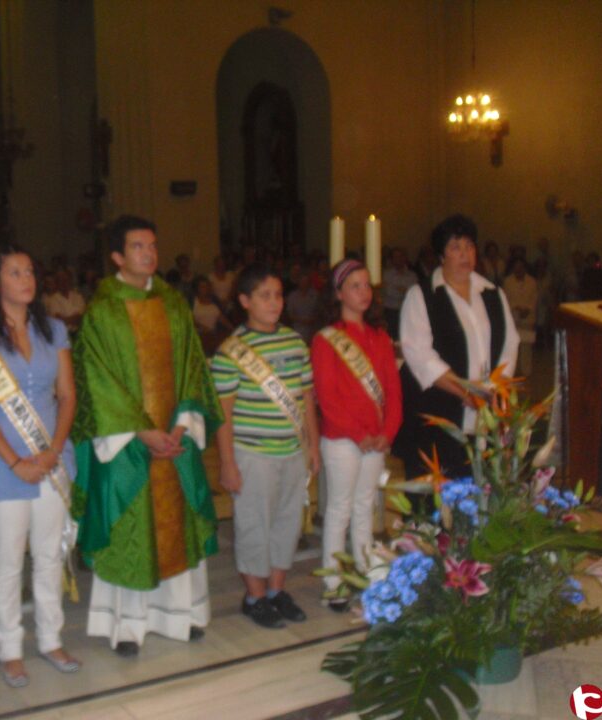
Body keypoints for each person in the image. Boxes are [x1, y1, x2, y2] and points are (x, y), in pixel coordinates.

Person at [72, 215, 223, 656]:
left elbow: (192, 366)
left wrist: (179, 426)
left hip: (174, 441)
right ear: (117, 256)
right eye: (138, 247)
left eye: (153, 246)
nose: (149, 254)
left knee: (178, 525)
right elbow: (95, 379)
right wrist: (142, 430)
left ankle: (181, 616)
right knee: (130, 530)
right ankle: (127, 627)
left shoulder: (173, 304)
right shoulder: (102, 311)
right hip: (128, 445)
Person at [0, 244, 80, 688]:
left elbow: (68, 395)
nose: (27, 279)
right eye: (15, 272)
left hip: (52, 458)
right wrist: (15, 461)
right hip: (1, 466)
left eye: (30, 271)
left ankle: (51, 639)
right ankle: (10, 649)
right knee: (7, 561)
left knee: (49, 555)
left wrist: (53, 450)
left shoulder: (53, 330)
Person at [210, 265, 320, 628]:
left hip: (292, 450)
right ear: (245, 301)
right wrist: (228, 463)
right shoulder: (231, 352)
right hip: (252, 453)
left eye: (278, 295)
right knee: (254, 526)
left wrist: (313, 446)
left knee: (287, 523)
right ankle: (254, 597)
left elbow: (306, 398)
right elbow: (223, 413)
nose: (274, 303)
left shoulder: (295, 342)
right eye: (264, 296)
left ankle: (276, 591)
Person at [396, 214, 519, 482]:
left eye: (470, 246)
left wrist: (495, 387)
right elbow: (419, 355)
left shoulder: (493, 293)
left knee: (481, 488)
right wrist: (464, 390)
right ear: (441, 256)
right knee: (437, 494)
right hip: (437, 413)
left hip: (486, 409)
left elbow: (510, 344)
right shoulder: (422, 296)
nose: (465, 254)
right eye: (455, 247)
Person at [312, 259, 402, 611]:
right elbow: (327, 397)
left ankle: (366, 571)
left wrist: (387, 431)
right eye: (354, 286)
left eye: (367, 285)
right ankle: (333, 581)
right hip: (342, 440)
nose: (363, 292)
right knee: (339, 509)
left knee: (366, 506)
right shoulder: (326, 339)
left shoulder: (380, 337)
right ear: (338, 293)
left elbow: (393, 393)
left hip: (375, 439)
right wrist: (358, 433)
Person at [503, 257, 538, 376]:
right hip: (513, 317)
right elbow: (505, 299)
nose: (518, 269)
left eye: (521, 267)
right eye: (516, 267)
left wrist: (527, 309)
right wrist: (515, 308)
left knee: (526, 346)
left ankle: (526, 371)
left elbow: (534, 298)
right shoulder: (508, 281)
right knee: (512, 345)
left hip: (528, 317)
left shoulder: (532, 281)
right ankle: (512, 371)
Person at [381, 247, 418, 340]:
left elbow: (412, 293)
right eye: (396, 257)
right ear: (392, 259)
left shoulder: (412, 276)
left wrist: (398, 289)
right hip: (390, 312)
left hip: (407, 311)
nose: (399, 259)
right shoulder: (386, 275)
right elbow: (388, 292)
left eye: (401, 256)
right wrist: (403, 291)